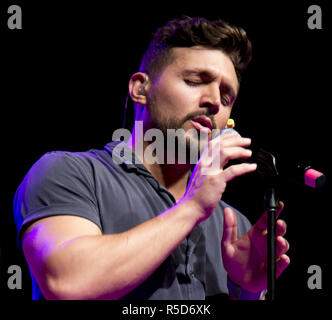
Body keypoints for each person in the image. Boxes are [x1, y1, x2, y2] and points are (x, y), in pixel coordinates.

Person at [13, 16, 290, 300]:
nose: (214, 101)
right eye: (195, 81)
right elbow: (67, 283)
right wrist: (191, 208)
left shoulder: (235, 226)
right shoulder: (68, 172)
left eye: (227, 96)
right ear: (141, 89)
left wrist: (245, 289)